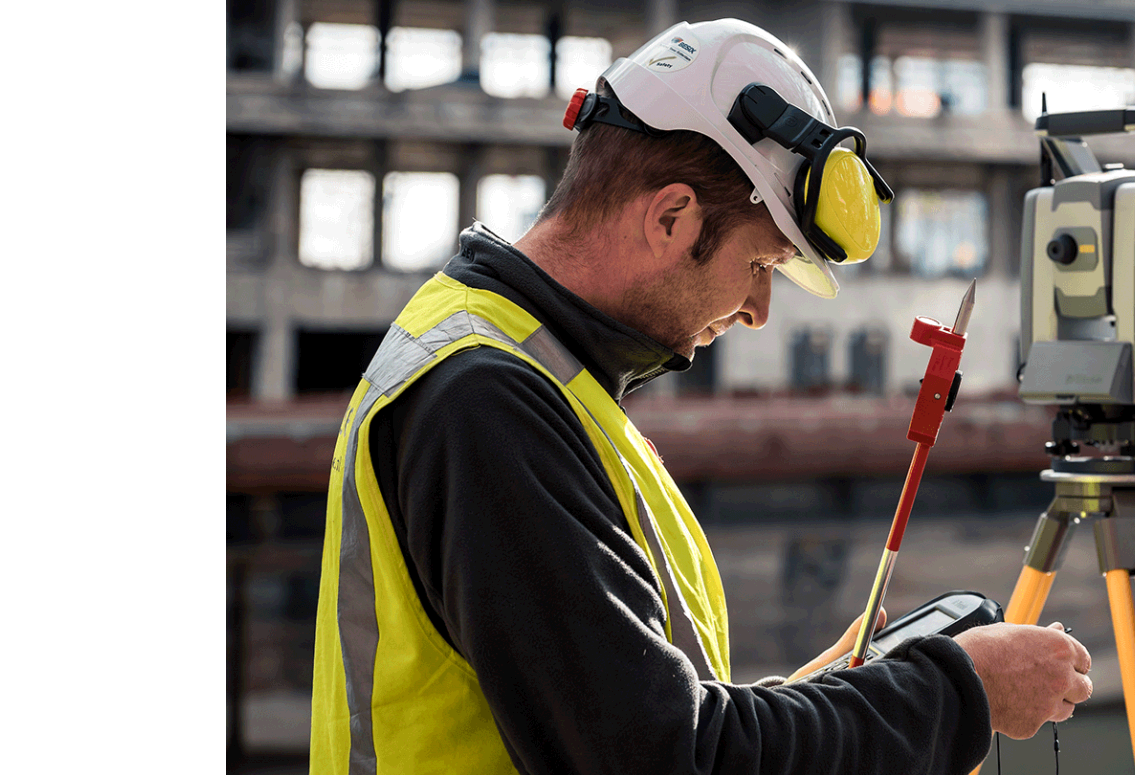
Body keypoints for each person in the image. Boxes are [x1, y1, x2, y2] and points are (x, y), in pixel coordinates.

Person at [308, 18, 1093, 775]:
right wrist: (958, 694)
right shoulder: (486, 403)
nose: (758, 311)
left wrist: (821, 697)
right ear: (672, 216)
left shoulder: (536, 373)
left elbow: (643, 724)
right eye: (760, 265)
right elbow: (665, 756)